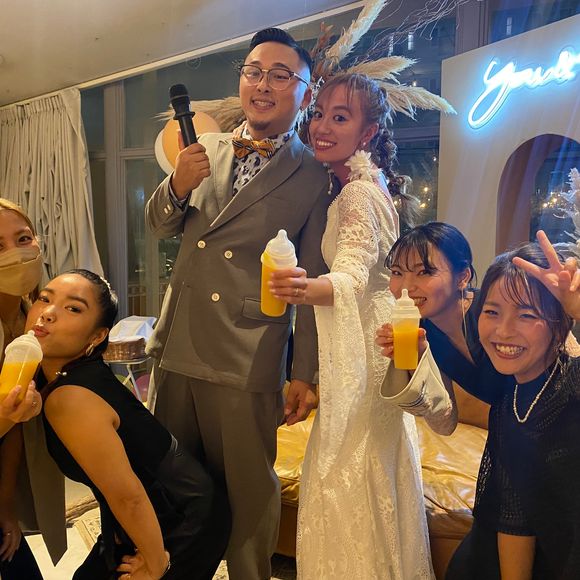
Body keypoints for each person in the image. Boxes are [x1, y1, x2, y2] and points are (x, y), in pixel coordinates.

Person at [145, 27, 329, 579]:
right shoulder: (204, 148)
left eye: (281, 75)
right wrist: (177, 185)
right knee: (172, 482)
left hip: (248, 351)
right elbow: (158, 226)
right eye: (254, 72)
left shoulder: (315, 175)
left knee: (249, 496)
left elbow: (311, 282)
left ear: (305, 91)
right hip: (180, 341)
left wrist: (304, 372)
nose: (263, 84)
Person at [269, 73, 453, 579]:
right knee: (370, 474)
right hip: (377, 352)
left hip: (367, 363)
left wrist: (300, 288)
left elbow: (350, 277)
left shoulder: (356, 196)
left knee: (347, 475)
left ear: (368, 132)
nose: (322, 126)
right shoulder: (369, 188)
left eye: (340, 117)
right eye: (319, 114)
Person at [377, 225, 580, 578]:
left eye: (424, 271)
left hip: (549, 432)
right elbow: (444, 421)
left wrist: (573, 310)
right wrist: (415, 363)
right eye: (397, 272)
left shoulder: (495, 313)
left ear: (463, 277)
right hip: (512, 434)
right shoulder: (426, 334)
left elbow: (562, 361)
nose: (407, 286)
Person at [27, 269, 229, 579]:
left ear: (97, 337)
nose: (48, 313)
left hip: (182, 518)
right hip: (142, 512)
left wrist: (156, 564)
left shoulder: (70, 398)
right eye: (44, 299)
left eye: (73, 308)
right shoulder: (50, 373)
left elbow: (128, 495)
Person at [0, 197, 63, 579]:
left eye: (23, 239)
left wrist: (5, 505)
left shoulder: (28, 319)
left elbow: (15, 433)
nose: (16, 253)